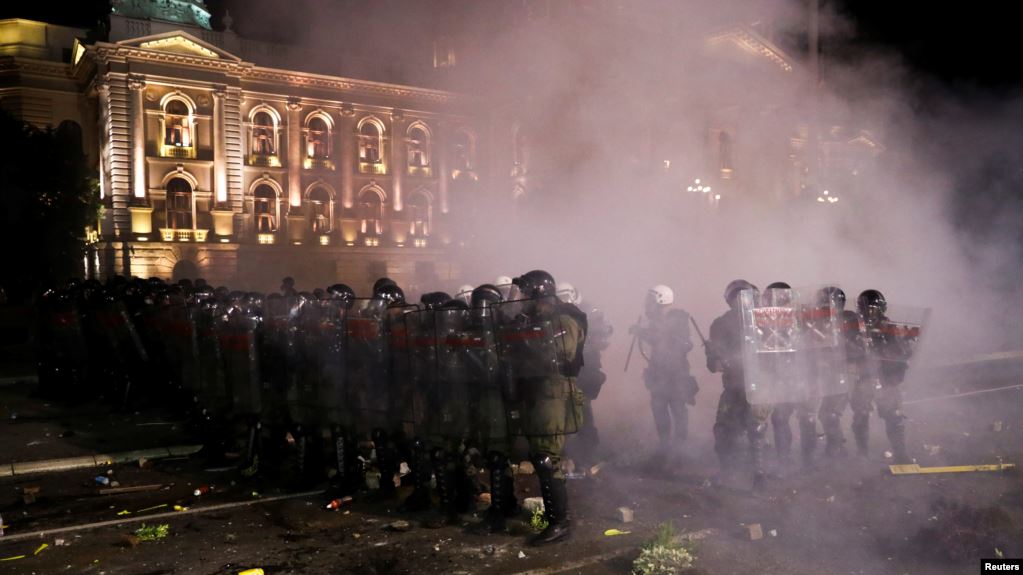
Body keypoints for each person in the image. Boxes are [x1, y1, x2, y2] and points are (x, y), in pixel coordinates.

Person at [507, 270, 586, 544]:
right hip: (536, 392)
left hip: (553, 394)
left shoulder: (563, 317)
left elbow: (562, 353)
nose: (522, 299)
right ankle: (557, 520)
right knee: (538, 453)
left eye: (526, 294)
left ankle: (559, 522)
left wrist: (526, 339)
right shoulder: (535, 319)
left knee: (546, 457)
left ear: (538, 294)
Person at [706, 279, 770, 486]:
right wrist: (715, 356)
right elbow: (714, 365)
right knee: (725, 429)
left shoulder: (765, 320)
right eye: (738, 298)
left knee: (756, 429)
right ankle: (729, 471)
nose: (741, 301)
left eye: (745, 297)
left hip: (759, 383)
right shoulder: (720, 324)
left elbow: (779, 350)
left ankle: (758, 475)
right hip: (735, 385)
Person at [630, 285, 696, 460]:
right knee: (659, 409)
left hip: (676, 374)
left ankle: (680, 448)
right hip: (659, 374)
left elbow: (661, 339)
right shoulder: (657, 320)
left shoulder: (677, 320)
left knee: (678, 409)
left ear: (660, 300)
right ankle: (665, 445)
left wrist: (641, 332)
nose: (648, 304)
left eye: (651, 300)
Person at [850, 289, 915, 463]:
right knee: (861, 416)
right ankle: (862, 454)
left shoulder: (891, 328)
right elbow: (844, 351)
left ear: (880, 309)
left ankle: (901, 454)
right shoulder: (854, 329)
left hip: (886, 378)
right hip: (864, 378)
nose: (868, 313)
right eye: (864, 309)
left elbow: (906, 351)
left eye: (872, 309)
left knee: (894, 416)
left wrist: (886, 349)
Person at [559, 282, 610, 471]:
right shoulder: (557, 315)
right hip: (566, 371)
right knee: (565, 414)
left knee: (584, 412)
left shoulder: (587, 312)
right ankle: (568, 455)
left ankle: (588, 455)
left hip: (584, 371)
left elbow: (604, 331)